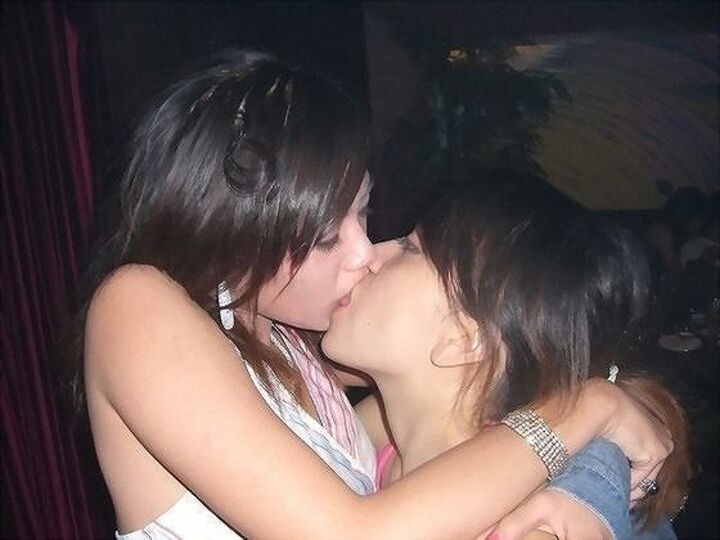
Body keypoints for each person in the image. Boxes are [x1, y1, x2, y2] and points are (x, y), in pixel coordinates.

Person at [77, 49, 672, 538]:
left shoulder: (295, 350)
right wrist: (588, 410)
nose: (365, 251)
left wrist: (595, 477)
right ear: (238, 227)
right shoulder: (138, 306)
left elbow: (467, 395)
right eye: (324, 236)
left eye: (362, 213)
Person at [322, 171, 692, 539]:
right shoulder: (387, 434)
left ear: (464, 339)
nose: (371, 253)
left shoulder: (528, 528)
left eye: (410, 247)